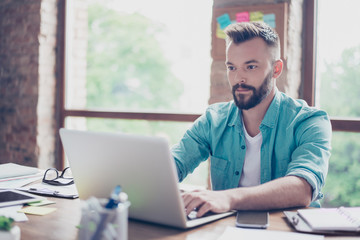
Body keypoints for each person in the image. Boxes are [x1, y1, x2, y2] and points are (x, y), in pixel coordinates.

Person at [171, 22, 332, 218]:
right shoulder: (213, 120)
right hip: (226, 230)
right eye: (232, 67)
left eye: (251, 66)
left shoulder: (310, 121)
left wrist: (228, 198)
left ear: (276, 69)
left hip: (288, 233)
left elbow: (303, 187)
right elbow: (174, 163)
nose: (239, 78)